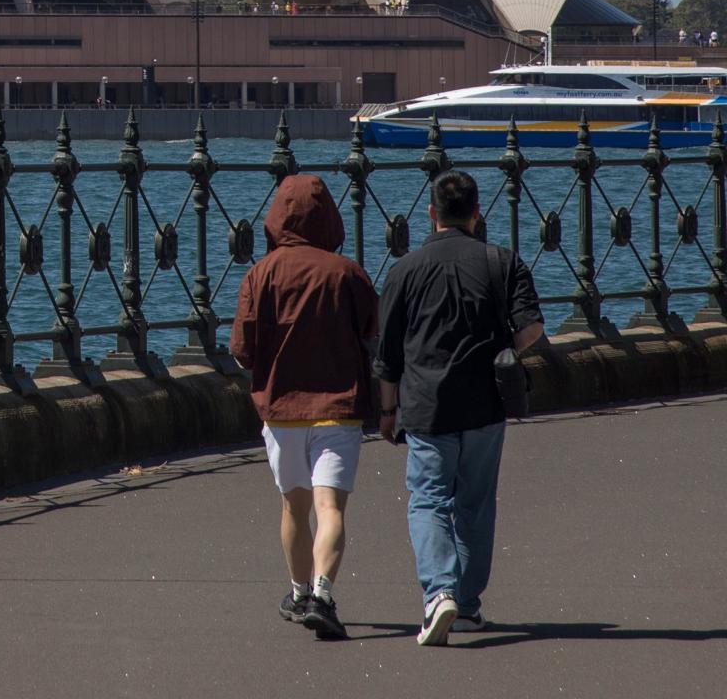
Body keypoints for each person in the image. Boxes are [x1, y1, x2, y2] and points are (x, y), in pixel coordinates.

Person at [375, 170, 544, 646]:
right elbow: (532, 330)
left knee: (428, 498)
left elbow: (387, 355)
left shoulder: (405, 269)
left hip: (427, 405)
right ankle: (467, 605)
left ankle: (438, 593)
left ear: (431, 214)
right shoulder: (500, 261)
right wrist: (500, 345)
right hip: (486, 403)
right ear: (477, 214)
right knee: (475, 504)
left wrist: (388, 411)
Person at [231, 174, 379, 641]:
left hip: (282, 409)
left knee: (294, 508)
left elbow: (242, 348)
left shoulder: (261, 272)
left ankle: (297, 593)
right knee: (330, 507)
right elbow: (371, 333)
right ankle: (324, 594)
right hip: (339, 406)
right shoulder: (346, 271)